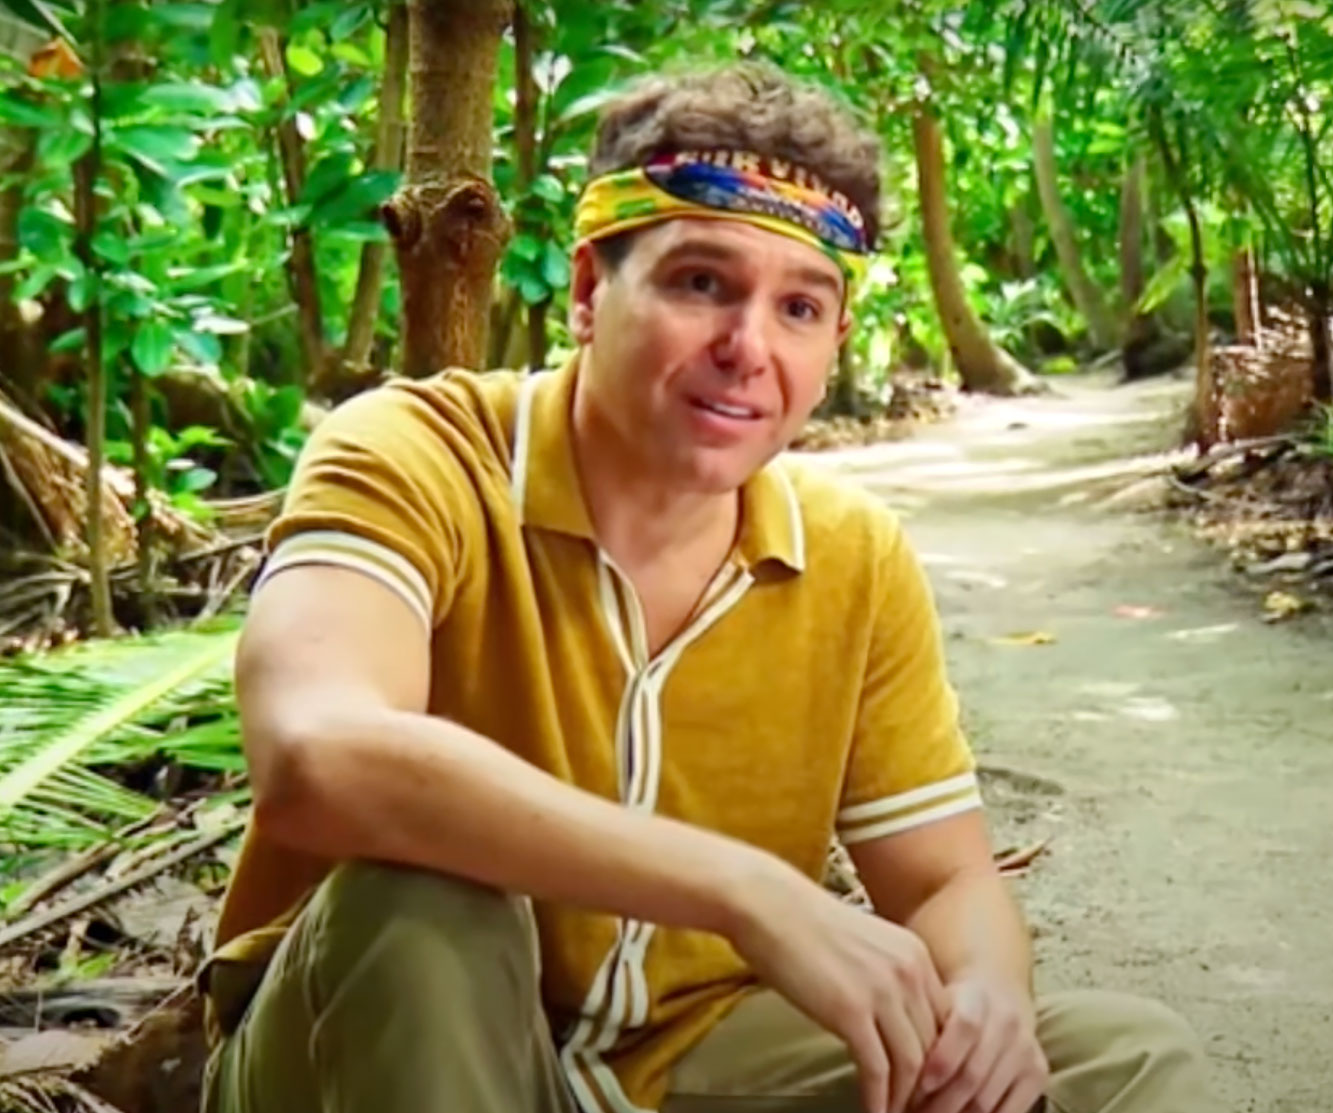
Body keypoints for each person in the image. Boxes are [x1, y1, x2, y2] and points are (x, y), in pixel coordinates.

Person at [196, 59, 1220, 1113]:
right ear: (589, 291)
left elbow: (945, 880)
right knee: (423, 905)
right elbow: (316, 753)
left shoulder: (851, 555)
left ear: (833, 342)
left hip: (684, 1058)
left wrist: (989, 995)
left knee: (1120, 1060)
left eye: (799, 307)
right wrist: (742, 890)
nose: (747, 348)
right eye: (700, 284)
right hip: (369, 1050)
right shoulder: (420, 452)